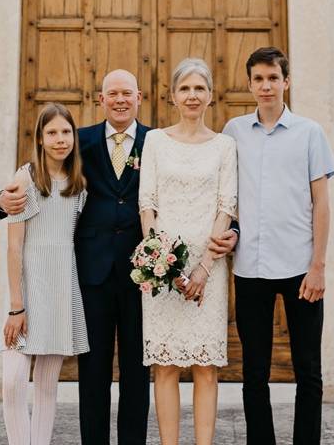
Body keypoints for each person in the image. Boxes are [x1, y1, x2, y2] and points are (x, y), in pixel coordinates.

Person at [0, 70, 151, 445]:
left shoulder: (156, 143)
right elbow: (34, 179)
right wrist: (0, 202)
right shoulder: (80, 142)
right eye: (112, 93)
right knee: (93, 372)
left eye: (126, 93)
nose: (119, 100)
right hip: (89, 276)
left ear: (139, 97)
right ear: (101, 99)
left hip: (139, 274)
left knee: (136, 371)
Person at [216, 47, 334, 445]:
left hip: (301, 268)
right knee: (254, 372)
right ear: (250, 84)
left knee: (308, 369)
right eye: (258, 79)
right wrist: (229, 230)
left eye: (273, 78)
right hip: (250, 267)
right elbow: (226, 196)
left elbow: (321, 202)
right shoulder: (233, 132)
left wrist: (318, 265)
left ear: (286, 81)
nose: (266, 86)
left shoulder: (309, 132)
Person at [138, 58, 237, 445]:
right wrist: (162, 262)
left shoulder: (225, 146)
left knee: (205, 366)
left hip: (207, 269)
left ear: (210, 96)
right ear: (173, 96)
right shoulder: (156, 141)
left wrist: (204, 268)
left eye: (199, 89)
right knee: (163, 366)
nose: (192, 96)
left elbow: (226, 206)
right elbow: (147, 203)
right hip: (164, 270)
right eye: (185, 89)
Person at [0, 103, 90, 445]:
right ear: (39, 138)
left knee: (48, 383)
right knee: (13, 380)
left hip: (60, 287)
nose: (60, 139)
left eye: (66, 132)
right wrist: (16, 305)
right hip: (26, 289)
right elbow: (13, 247)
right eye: (51, 132)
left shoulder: (78, 183)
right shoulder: (25, 178)